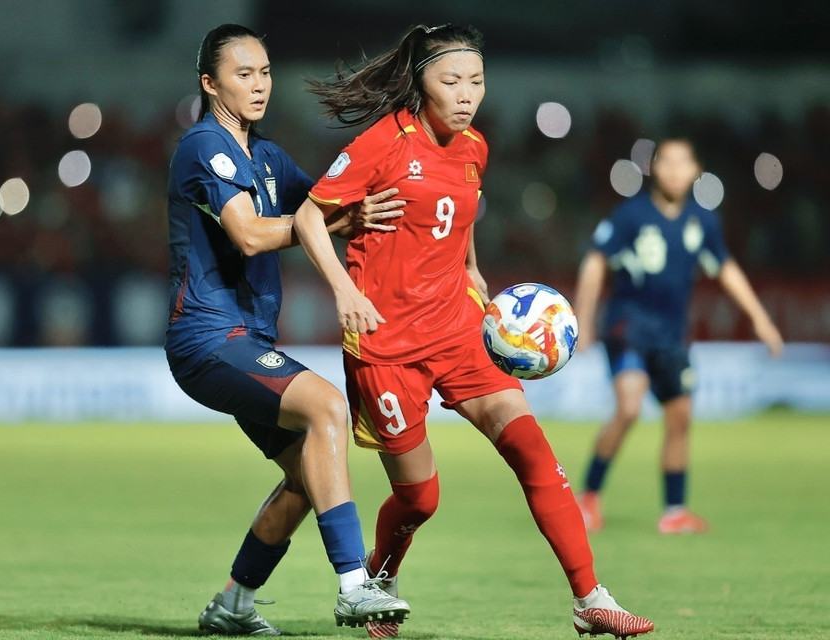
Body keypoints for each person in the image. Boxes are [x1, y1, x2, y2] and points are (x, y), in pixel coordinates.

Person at [292, 23, 654, 640]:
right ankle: (380, 579)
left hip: (459, 328)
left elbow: (460, 212)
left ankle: (590, 597)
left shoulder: (473, 148)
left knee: (533, 450)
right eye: (451, 81)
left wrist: (471, 267)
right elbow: (307, 215)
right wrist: (345, 291)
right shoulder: (384, 142)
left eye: (477, 82)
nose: (466, 95)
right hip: (386, 343)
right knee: (420, 499)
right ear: (419, 82)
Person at [165, 24, 411, 636]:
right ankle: (355, 586)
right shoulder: (204, 147)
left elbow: (327, 206)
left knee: (311, 475)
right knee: (327, 407)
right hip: (208, 339)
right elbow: (250, 235)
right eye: (243, 73)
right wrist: (331, 223)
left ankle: (232, 604)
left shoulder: (268, 157)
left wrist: (379, 184)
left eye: (266, 72)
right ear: (209, 83)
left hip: (248, 342)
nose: (259, 84)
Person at [572, 138, 784, 534]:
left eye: (681, 163)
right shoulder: (631, 214)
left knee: (680, 418)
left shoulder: (703, 220)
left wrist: (760, 318)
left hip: (672, 335)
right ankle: (588, 498)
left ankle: (674, 511)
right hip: (628, 327)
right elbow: (595, 261)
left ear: (694, 170)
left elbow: (726, 268)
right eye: (665, 162)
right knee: (630, 406)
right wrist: (582, 319)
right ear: (654, 167)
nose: (673, 170)